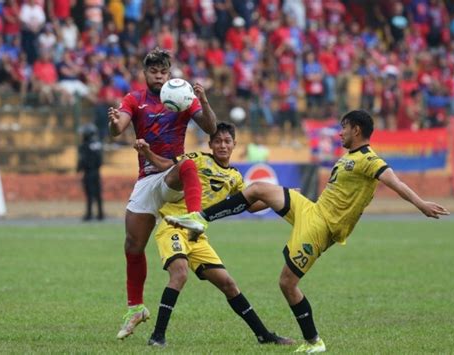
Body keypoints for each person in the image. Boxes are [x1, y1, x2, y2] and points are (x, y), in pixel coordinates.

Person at [165, 110, 450, 353]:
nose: (340, 134)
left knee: (287, 284)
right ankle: (201, 218)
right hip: (311, 210)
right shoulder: (348, 156)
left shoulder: (368, 160)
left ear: (357, 130)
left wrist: (421, 204)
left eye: (343, 128)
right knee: (256, 189)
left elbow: (395, 182)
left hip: (321, 227)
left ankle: (314, 341)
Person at [134, 122, 294, 347]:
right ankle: (157, 336)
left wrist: (282, 198)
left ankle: (264, 336)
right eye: (217, 141)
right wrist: (147, 152)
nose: (222, 145)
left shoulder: (235, 177)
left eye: (227, 141)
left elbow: (248, 205)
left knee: (228, 284)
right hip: (173, 226)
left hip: (197, 236)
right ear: (210, 144)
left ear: (234, 145)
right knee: (179, 274)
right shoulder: (197, 159)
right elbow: (165, 166)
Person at [108, 47, 217, 339]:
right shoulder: (135, 99)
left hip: (172, 173)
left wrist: (203, 100)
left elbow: (211, 127)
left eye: (163, 71)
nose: (159, 75)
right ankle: (136, 308)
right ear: (145, 74)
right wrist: (114, 120)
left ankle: (195, 216)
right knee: (132, 245)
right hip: (147, 178)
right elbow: (118, 129)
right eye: (153, 71)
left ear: (169, 73)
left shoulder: (182, 95)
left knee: (188, 164)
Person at [77, 123, 104, 221]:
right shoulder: (98, 144)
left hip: (88, 173)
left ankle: (89, 214)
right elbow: (100, 160)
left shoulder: (84, 146)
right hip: (96, 172)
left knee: (89, 194)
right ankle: (100, 214)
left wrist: (79, 169)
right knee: (98, 194)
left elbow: (82, 160)